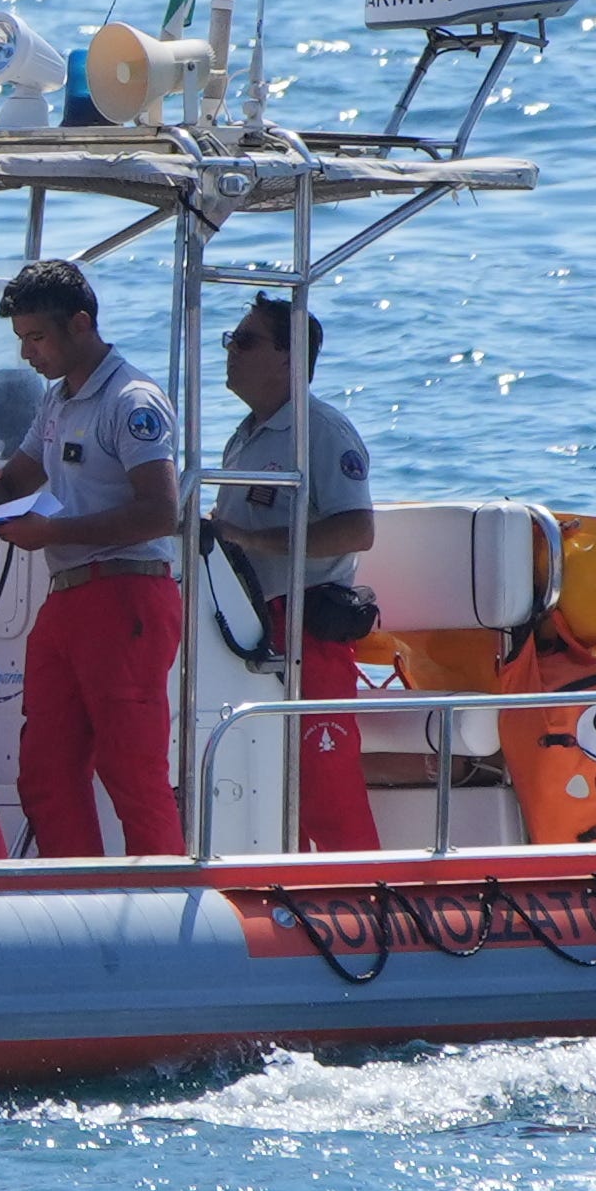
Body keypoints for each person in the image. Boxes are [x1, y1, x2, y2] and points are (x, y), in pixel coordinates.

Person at [0, 255, 186, 856]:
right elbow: (14, 481)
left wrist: (55, 532)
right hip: (68, 596)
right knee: (45, 771)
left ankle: (165, 903)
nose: (27, 355)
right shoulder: (56, 400)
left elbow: (160, 512)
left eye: (37, 337)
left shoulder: (132, 398)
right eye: (22, 339)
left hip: (127, 594)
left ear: (79, 324)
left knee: (131, 769)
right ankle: (78, 893)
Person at [213, 294, 384, 853]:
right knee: (259, 774)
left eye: (246, 341)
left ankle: (366, 900)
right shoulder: (245, 435)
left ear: (289, 360)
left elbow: (357, 529)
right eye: (231, 340)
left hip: (308, 627)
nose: (231, 351)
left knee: (325, 784)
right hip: (250, 628)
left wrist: (250, 540)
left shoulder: (321, 432)